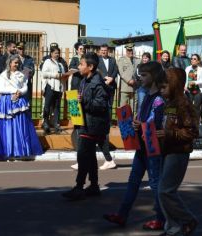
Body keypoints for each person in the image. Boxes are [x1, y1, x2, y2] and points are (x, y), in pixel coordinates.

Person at [103, 62, 166, 230]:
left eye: (145, 75)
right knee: (133, 182)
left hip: (152, 147)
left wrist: (141, 124)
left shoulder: (159, 99)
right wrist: (132, 123)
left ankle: (161, 218)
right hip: (142, 146)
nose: (141, 77)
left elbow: (155, 122)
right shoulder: (146, 96)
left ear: (154, 76)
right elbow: (141, 116)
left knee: (155, 184)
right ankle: (122, 215)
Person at [62, 52, 111, 201]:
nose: (79, 66)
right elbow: (83, 101)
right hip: (85, 123)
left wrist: (83, 101)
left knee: (83, 155)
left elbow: (101, 105)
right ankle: (94, 185)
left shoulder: (98, 83)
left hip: (93, 125)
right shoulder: (84, 80)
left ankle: (79, 187)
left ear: (90, 67)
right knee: (89, 156)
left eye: (82, 64)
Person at [157, 68, 199, 236]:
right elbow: (168, 125)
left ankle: (188, 220)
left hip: (179, 153)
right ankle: (173, 228)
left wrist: (169, 134)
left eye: (164, 87)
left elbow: (192, 132)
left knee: (165, 191)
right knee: (163, 192)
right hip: (166, 150)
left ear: (174, 85)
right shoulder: (170, 104)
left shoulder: (184, 104)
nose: (161, 90)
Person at [0, 54, 43, 158]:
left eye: (18, 63)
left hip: (19, 100)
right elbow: (0, 89)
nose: (16, 65)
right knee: (8, 126)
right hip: (7, 102)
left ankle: (20, 149)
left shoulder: (21, 74)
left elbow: (25, 87)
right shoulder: (3, 75)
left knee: (20, 125)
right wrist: (14, 91)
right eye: (15, 63)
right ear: (10, 63)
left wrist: (20, 92)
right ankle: (8, 150)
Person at [41, 47, 66, 134]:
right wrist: (55, 75)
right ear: (51, 53)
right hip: (50, 87)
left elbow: (62, 75)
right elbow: (44, 73)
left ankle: (56, 124)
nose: (57, 54)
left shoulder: (60, 64)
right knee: (47, 106)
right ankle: (45, 123)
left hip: (58, 88)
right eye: (55, 53)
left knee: (57, 107)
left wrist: (65, 76)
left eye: (58, 53)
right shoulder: (48, 62)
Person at [118, 43, 140, 110]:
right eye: (128, 50)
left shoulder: (137, 60)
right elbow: (121, 72)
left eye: (131, 50)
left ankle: (133, 120)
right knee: (123, 107)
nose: (130, 52)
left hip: (134, 87)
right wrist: (129, 80)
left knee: (134, 108)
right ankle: (122, 120)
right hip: (125, 88)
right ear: (126, 51)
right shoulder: (121, 60)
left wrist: (135, 80)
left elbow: (139, 72)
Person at [185, 54, 202, 120]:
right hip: (189, 91)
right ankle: (189, 123)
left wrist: (195, 82)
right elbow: (185, 79)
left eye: (194, 59)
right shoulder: (188, 68)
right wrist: (185, 86)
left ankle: (196, 123)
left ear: (198, 61)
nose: (192, 60)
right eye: (191, 58)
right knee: (189, 107)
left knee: (196, 107)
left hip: (198, 91)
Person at [16, 42, 35, 109]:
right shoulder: (14, 58)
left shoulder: (29, 59)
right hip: (16, 84)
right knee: (17, 103)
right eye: (20, 48)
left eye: (23, 48)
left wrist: (26, 74)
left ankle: (28, 119)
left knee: (28, 103)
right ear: (17, 49)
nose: (22, 50)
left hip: (27, 84)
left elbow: (32, 71)